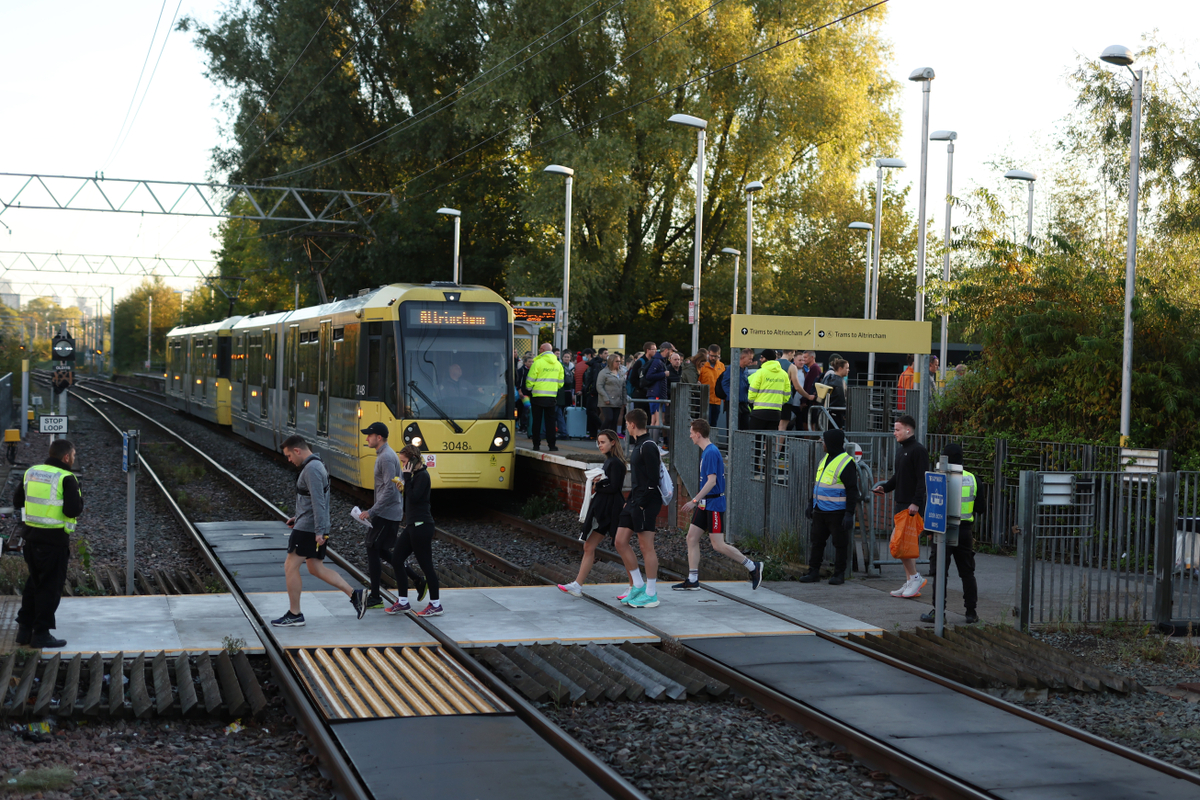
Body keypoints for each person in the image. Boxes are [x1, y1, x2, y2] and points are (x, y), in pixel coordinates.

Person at [273, 436, 366, 627]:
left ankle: (295, 613)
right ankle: (355, 595)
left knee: (290, 566)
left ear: (297, 451)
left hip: (308, 529)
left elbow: (319, 502)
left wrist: (319, 531)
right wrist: (297, 517)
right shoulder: (315, 465)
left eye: (289, 455)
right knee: (315, 568)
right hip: (308, 524)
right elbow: (311, 500)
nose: (289, 460)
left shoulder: (312, 469)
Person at [673, 419, 763, 591]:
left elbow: (712, 482)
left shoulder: (711, 452)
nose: (690, 435)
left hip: (713, 503)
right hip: (705, 503)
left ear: (698, 434)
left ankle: (753, 567)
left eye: (691, 432)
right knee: (691, 537)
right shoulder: (706, 452)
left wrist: (694, 500)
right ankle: (692, 579)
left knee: (718, 545)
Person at [14, 438, 82, 648]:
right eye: (74, 455)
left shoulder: (31, 472)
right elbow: (72, 510)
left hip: (31, 539)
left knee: (34, 583)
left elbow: (18, 501)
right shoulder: (67, 478)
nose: (73, 458)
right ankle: (41, 633)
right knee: (49, 587)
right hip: (53, 541)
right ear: (66, 457)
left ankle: (24, 630)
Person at [357, 422, 426, 609]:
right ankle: (417, 579)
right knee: (382, 550)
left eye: (369, 435)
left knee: (372, 547)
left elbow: (389, 489)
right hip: (387, 511)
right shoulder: (385, 455)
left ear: (379, 437)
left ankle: (376, 596)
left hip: (387, 513)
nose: (366, 438)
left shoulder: (386, 457)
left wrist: (372, 511)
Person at [558, 430, 628, 597]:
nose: (600, 445)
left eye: (603, 442)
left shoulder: (615, 463)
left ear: (613, 442)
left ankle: (635, 584)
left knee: (622, 546)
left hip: (609, 510)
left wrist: (598, 485)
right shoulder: (610, 462)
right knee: (589, 545)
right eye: (599, 442)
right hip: (604, 509)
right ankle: (577, 584)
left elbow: (615, 487)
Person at [921, 442, 979, 624]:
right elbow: (981, 507)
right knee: (967, 573)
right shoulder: (972, 478)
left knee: (940, 573)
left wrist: (928, 531)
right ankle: (971, 613)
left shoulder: (939, 477)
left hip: (942, 530)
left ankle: (938, 613)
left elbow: (932, 506)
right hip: (964, 531)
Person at [873, 415, 930, 598]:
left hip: (911, 505)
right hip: (902, 502)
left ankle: (915, 577)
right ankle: (910, 581)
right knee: (903, 544)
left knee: (899, 543)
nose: (894, 433)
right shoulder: (901, 451)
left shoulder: (918, 450)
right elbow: (898, 477)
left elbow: (922, 479)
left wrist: (916, 502)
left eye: (897, 429)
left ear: (908, 430)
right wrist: (885, 488)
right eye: (894, 429)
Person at [386, 445, 443, 616]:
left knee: (426, 566)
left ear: (412, 461)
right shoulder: (416, 476)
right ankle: (403, 601)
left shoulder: (422, 476)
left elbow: (414, 497)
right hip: (413, 525)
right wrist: (404, 485)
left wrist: (406, 479)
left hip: (422, 525)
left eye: (404, 462)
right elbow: (410, 495)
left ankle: (435, 604)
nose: (403, 465)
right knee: (396, 559)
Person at [614, 408, 662, 608]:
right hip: (635, 501)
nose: (626, 426)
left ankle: (651, 593)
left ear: (632, 424)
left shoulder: (648, 446)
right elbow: (639, 479)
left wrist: (640, 503)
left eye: (626, 423)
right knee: (620, 541)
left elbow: (653, 481)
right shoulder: (639, 445)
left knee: (646, 546)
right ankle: (638, 585)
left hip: (646, 503)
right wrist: (630, 499)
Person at [800, 428, 858, 585]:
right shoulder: (825, 459)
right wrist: (810, 504)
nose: (822, 444)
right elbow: (818, 484)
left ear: (831, 443)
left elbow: (853, 490)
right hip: (820, 509)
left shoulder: (846, 463)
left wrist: (848, 514)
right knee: (817, 542)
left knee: (840, 544)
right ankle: (813, 572)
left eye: (824, 441)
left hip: (837, 512)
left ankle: (839, 574)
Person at [525, 343, 564, 451]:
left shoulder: (537, 363)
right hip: (551, 397)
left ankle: (536, 445)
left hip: (537, 396)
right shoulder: (558, 364)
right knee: (551, 422)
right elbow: (561, 383)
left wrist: (529, 388)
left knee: (537, 421)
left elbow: (530, 380)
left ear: (542, 350)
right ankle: (552, 445)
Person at [747, 348, 790, 430]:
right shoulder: (784, 374)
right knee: (770, 440)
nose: (760, 359)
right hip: (776, 413)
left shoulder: (760, 372)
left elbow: (752, 391)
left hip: (759, 412)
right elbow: (787, 394)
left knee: (756, 439)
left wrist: (751, 402)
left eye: (762, 357)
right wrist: (779, 403)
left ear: (766, 358)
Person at [719, 347, 754, 429]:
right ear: (743, 358)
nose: (751, 361)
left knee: (745, 427)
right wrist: (732, 396)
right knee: (733, 427)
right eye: (750, 359)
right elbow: (724, 382)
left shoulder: (745, 369)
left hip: (743, 402)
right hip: (733, 403)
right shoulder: (732, 368)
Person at [789, 351, 819, 430]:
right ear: (794, 360)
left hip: (802, 404)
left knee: (801, 427)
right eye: (800, 360)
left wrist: (804, 400)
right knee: (788, 426)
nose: (802, 362)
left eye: (803, 359)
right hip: (792, 403)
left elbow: (808, 387)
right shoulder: (790, 370)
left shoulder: (807, 371)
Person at [643, 343, 670, 429]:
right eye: (671, 351)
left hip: (655, 393)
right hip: (656, 394)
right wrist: (663, 374)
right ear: (666, 350)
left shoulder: (659, 360)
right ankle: (653, 441)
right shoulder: (657, 361)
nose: (671, 353)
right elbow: (649, 376)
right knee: (658, 421)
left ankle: (653, 440)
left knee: (654, 421)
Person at [597, 354, 627, 431]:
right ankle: (601, 433)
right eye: (616, 361)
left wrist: (624, 400)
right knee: (609, 418)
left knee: (615, 421)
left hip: (617, 401)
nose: (619, 363)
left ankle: (612, 438)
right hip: (607, 400)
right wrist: (605, 398)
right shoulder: (603, 373)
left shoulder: (621, 373)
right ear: (611, 362)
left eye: (620, 361)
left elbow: (623, 387)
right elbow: (599, 386)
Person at [698, 345, 725, 426]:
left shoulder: (721, 366)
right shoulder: (703, 365)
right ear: (708, 353)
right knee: (705, 423)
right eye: (712, 355)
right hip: (705, 400)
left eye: (716, 356)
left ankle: (711, 438)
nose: (713, 358)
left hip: (717, 400)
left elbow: (723, 383)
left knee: (714, 423)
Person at [583, 347, 605, 439]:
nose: (584, 358)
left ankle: (603, 428)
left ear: (589, 355)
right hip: (592, 392)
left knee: (591, 411)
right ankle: (593, 434)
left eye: (584, 355)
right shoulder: (593, 364)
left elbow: (595, 379)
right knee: (592, 412)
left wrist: (592, 391)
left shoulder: (595, 365)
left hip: (593, 392)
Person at [822, 357, 849, 428]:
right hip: (836, 413)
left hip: (829, 412)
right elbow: (841, 399)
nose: (848, 370)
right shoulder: (839, 382)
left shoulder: (830, 378)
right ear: (840, 368)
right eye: (846, 368)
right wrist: (845, 413)